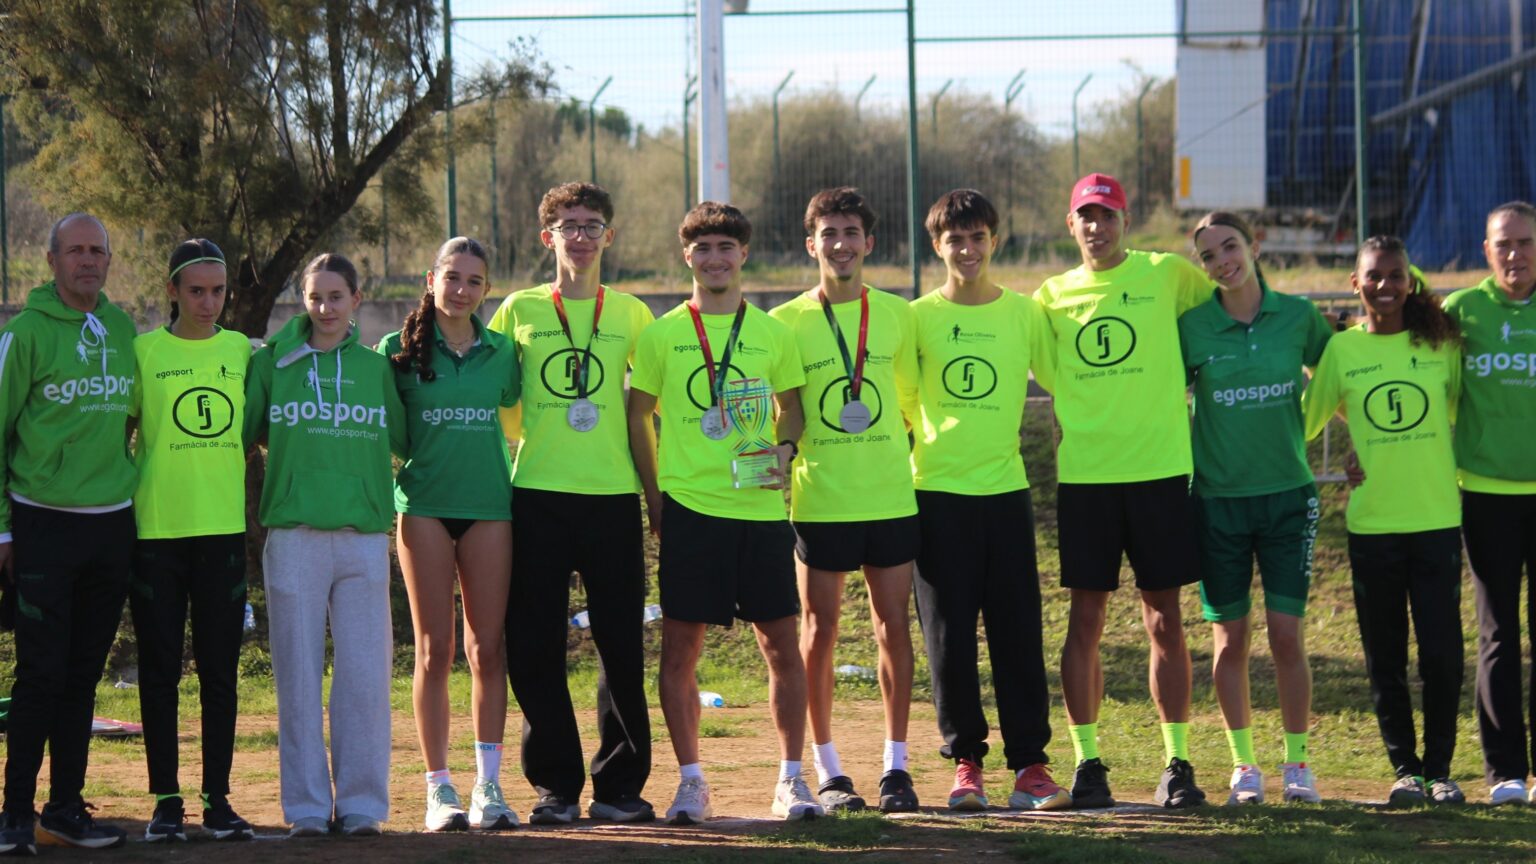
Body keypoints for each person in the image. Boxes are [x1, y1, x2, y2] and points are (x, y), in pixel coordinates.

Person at [627, 201, 821, 824]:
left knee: (781, 647)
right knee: (681, 651)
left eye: (726, 248)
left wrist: (784, 448)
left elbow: (794, 408)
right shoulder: (660, 335)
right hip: (690, 510)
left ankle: (792, 780)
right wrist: (656, 500)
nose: (715, 258)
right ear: (687, 256)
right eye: (703, 248)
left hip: (760, 509)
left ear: (744, 255)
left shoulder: (772, 333)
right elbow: (638, 417)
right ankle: (691, 781)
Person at [1035, 173, 1210, 809]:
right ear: (1070, 224)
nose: (1096, 226)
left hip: (1161, 472)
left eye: (1107, 215)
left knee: (1165, 619)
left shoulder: (1167, 274)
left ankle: (1178, 762)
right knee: (1086, 620)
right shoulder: (1051, 297)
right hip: (1087, 478)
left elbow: (1228, 304)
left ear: (1125, 222)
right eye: (1086, 215)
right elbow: (1049, 375)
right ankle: (1088, 763)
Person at [487, 183, 656, 825]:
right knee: (534, 645)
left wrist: (655, 496)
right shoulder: (518, 309)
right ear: (546, 236)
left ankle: (618, 787)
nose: (580, 236)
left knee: (620, 646)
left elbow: (646, 412)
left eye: (592, 226)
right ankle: (555, 785)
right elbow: (499, 401)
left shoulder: (635, 315)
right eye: (568, 225)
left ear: (608, 238)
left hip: (613, 498)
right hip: (536, 498)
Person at [909, 190, 1070, 812]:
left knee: (1017, 633)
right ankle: (966, 764)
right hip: (936, 494)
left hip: (1005, 494)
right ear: (937, 245)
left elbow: (1064, 382)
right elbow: (899, 399)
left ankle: (1029, 765)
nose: (967, 249)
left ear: (993, 241)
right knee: (948, 637)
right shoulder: (917, 316)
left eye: (977, 237)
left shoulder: (1025, 314)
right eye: (955, 239)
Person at [769, 187, 921, 813]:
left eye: (851, 232)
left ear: (869, 242)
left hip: (890, 495)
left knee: (893, 630)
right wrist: (778, 455)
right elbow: (788, 408)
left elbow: (911, 398)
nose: (840, 243)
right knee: (820, 631)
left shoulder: (898, 314)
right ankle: (828, 767)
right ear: (812, 245)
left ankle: (896, 766)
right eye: (828, 233)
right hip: (821, 499)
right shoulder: (784, 322)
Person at [244, 252, 407, 836]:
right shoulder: (274, 365)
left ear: (356, 300)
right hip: (293, 536)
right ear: (302, 300)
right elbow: (247, 434)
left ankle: (363, 804)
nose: (325, 307)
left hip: (362, 536)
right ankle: (307, 808)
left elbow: (405, 439)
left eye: (336, 296)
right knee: (296, 676)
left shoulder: (376, 369)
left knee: (364, 679)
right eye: (314, 297)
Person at [1301, 236, 1465, 806]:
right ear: (1355, 283)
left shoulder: (1439, 345)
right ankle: (1405, 771)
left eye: (1397, 276)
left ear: (1411, 280)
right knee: (1386, 655)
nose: (1385, 286)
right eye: (1373, 276)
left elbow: (1458, 416)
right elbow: (1304, 426)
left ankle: (1441, 770)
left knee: (1442, 653)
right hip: (1372, 527)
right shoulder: (1342, 354)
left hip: (1438, 519)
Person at [1181, 212, 1332, 805]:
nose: (1222, 260)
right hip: (1217, 503)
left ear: (1255, 245)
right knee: (1230, 640)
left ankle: (1297, 764)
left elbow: (1345, 380)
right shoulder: (1191, 327)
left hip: (1288, 499)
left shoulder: (1299, 317)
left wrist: (1369, 451)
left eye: (1230, 246)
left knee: (1288, 636)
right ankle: (1245, 766)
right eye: (1209, 255)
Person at [0, 213, 137, 853]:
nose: (87, 260)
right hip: (42, 527)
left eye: (97, 251)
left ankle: (63, 809)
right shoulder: (24, 333)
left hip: (110, 526)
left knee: (83, 675)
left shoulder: (118, 327)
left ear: (109, 261)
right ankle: (13, 816)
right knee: (40, 676)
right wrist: (3, 530)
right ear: (51, 260)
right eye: (75, 250)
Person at [380, 237, 521, 831]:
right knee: (434, 650)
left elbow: (514, 413)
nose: (461, 290)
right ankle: (439, 789)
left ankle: (489, 786)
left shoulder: (505, 352)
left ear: (487, 290)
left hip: (490, 506)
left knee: (487, 649)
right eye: (452, 277)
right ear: (430, 278)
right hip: (425, 509)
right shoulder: (396, 352)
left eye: (474, 281)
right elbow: (394, 436)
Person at [129, 239, 256, 841]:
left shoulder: (240, 352)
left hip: (223, 532)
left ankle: (217, 798)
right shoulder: (142, 353)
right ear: (173, 291)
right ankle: (164, 800)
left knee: (220, 673)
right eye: (197, 291)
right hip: (156, 533)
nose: (209, 303)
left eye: (218, 291)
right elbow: (119, 432)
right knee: (158, 670)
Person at [1443, 201, 1536, 805]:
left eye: (1525, 243)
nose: (1515, 254)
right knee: (1499, 633)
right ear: (1486, 250)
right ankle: (1505, 772)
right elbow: (1424, 384)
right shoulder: (1462, 312)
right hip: (1486, 494)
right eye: (1503, 244)